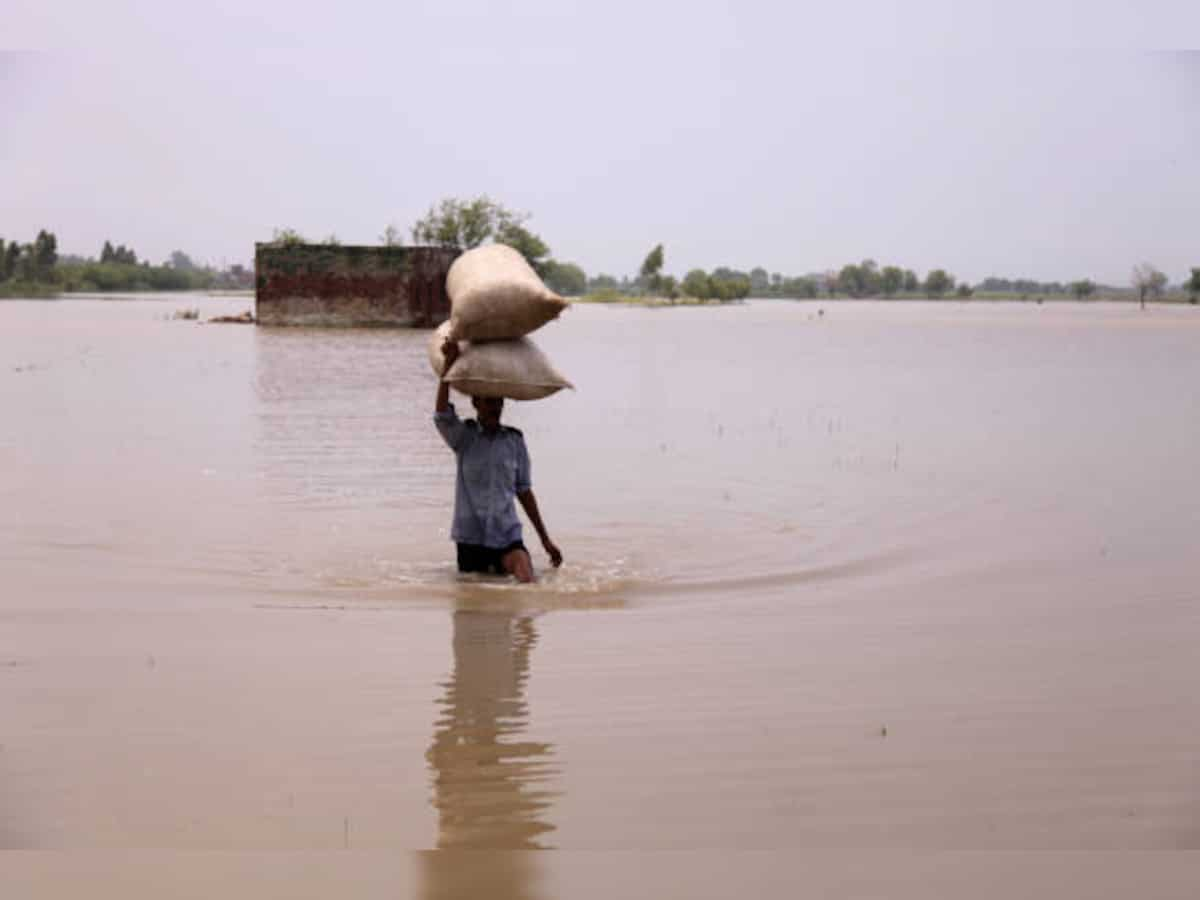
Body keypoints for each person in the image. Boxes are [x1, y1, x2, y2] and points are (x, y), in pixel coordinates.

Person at [434, 339, 562, 583]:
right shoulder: (465, 438)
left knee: (527, 580)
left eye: (499, 403)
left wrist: (545, 539)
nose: (496, 408)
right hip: (471, 539)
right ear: (476, 404)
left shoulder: (514, 441)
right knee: (475, 607)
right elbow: (441, 415)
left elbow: (524, 491)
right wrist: (448, 366)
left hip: (506, 535)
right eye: (490, 402)